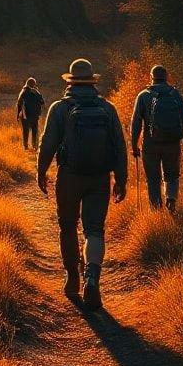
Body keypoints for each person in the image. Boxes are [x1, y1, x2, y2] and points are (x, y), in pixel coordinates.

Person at [37, 58, 127, 311]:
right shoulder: (107, 109)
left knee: (67, 226)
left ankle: (72, 278)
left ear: (70, 82)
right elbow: (119, 146)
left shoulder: (60, 108)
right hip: (100, 177)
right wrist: (121, 179)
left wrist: (41, 172)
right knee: (95, 229)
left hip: (69, 177)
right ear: (92, 82)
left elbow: (48, 144)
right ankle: (92, 279)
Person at [130, 64, 183, 211]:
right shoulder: (176, 95)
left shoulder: (144, 95)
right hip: (172, 143)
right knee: (172, 175)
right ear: (166, 77)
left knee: (153, 178)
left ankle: (156, 209)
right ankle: (171, 200)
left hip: (150, 145)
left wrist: (134, 145)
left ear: (151, 77)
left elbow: (136, 123)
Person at [16, 77, 46, 150]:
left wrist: (18, 115)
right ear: (34, 84)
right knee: (34, 131)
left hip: (25, 115)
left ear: (27, 83)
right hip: (35, 115)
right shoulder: (36, 92)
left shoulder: (23, 91)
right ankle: (35, 146)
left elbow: (19, 104)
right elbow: (42, 102)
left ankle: (26, 147)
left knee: (25, 131)